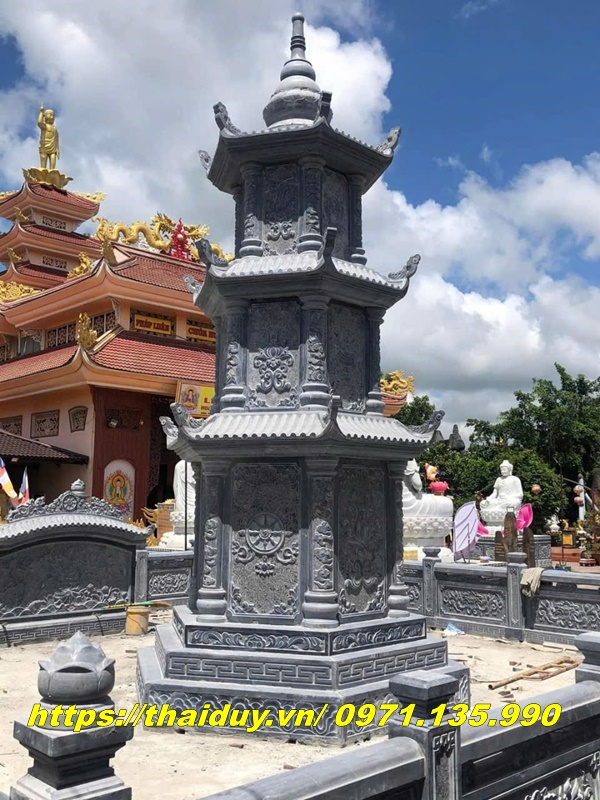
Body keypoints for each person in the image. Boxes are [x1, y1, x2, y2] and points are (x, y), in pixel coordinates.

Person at [38, 105, 60, 170]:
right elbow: (39, 122)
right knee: (43, 167)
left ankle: (52, 173)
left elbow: (56, 140)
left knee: (53, 164)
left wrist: (57, 149)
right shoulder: (45, 126)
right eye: (50, 115)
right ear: (45, 116)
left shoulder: (55, 129)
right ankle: (42, 172)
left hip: (53, 148)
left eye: (53, 115)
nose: (52, 117)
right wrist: (41, 112)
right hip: (44, 146)